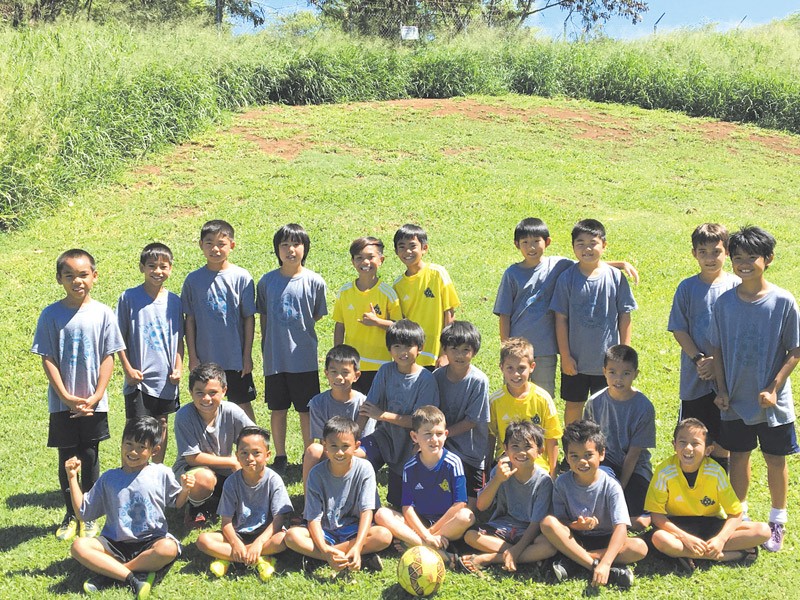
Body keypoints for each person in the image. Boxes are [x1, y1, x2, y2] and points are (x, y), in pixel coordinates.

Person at [709, 226, 800, 552]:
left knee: (776, 460)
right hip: (735, 400)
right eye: (738, 258)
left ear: (769, 259)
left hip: (773, 404)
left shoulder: (784, 302)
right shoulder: (723, 304)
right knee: (738, 458)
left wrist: (774, 387)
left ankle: (777, 523)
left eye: (751, 258)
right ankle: (741, 518)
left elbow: (795, 350)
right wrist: (720, 389)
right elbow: (717, 350)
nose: (744, 264)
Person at [32, 249, 126, 541]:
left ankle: (90, 516)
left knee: (90, 455)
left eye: (83, 274)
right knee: (67, 457)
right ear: (59, 278)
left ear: (94, 277)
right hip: (63, 404)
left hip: (94, 403)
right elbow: (47, 358)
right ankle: (71, 514)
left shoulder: (103, 313)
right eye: (69, 275)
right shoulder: (51, 314)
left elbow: (108, 356)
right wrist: (65, 396)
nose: (77, 280)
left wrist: (97, 395)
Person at [494, 217, 638, 397]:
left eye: (536, 241)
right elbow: (504, 314)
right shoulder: (512, 274)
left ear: (547, 242)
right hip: (517, 349)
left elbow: (587, 262)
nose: (531, 247)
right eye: (525, 242)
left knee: (543, 397)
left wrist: (620, 264)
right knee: (513, 393)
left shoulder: (557, 265)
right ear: (517, 244)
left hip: (545, 348)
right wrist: (505, 346)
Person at [66, 417, 193, 598]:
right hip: (115, 543)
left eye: (142, 447)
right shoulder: (109, 478)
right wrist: (72, 478)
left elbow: (177, 503)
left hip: (151, 540)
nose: (133, 451)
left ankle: (112, 573)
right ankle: (132, 577)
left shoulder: (161, 472)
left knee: (168, 548)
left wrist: (186, 490)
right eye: (129, 444)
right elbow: (83, 513)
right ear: (121, 443)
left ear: (154, 450)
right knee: (78, 546)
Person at [646, 418, 771, 573]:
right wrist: (685, 538)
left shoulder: (715, 472)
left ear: (708, 450)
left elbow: (736, 512)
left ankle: (688, 554)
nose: (688, 448)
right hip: (676, 527)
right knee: (660, 539)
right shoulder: (664, 472)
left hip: (711, 524)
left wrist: (720, 539)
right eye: (682, 442)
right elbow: (656, 516)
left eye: (695, 443)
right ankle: (727, 555)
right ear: (674, 445)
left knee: (763, 531)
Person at [541, 420, 647, 590]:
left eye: (588, 455)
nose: (582, 462)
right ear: (567, 457)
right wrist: (574, 525)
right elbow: (560, 520)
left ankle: (574, 561)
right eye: (574, 456)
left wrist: (605, 562)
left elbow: (621, 528)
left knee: (639, 547)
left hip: (606, 540)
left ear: (602, 454)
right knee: (547, 523)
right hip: (575, 538)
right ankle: (593, 566)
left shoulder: (611, 485)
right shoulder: (562, 483)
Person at [551, 219, 637, 425]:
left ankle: (602, 451)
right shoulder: (567, 278)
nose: (587, 248)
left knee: (606, 406)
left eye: (593, 243)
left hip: (607, 363)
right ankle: (572, 447)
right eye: (580, 243)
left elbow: (625, 316)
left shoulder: (616, 278)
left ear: (604, 245)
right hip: (575, 362)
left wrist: (623, 355)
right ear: (572, 247)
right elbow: (560, 319)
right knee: (574, 405)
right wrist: (565, 356)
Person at [257, 223, 328, 475]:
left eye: (295, 244)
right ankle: (280, 454)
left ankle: (310, 452)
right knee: (278, 408)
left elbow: (317, 314)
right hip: (275, 358)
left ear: (304, 248)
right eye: (284, 245)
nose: (290, 250)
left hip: (304, 358)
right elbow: (263, 315)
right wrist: (267, 346)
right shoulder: (267, 282)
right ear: (277, 249)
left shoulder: (315, 281)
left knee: (305, 410)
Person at [668, 223, 738, 472]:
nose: (710, 258)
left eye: (716, 251)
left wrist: (716, 364)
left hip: (728, 378)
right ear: (693, 253)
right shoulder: (687, 288)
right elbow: (679, 328)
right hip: (695, 377)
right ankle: (693, 494)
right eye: (703, 251)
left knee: (724, 440)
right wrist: (699, 359)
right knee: (694, 436)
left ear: (727, 252)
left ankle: (722, 494)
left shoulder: (736, 285)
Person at [285, 417, 392, 572]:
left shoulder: (365, 469)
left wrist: (357, 545)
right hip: (325, 530)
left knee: (383, 535)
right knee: (291, 536)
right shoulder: (316, 474)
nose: (339, 452)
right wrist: (324, 548)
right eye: (334, 446)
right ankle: (345, 556)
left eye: (345, 446)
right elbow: (313, 518)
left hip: (353, 529)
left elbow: (366, 512)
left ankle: (320, 557)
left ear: (356, 446)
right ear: (325, 445)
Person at [374, 406, 474, 568]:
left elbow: (460, 504)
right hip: (419, 522)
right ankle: (437, 551)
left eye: (439, 434)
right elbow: (407, 508)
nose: (434, 439)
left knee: (466, 515)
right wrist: (425, 534)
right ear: (414, 436)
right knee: (381, 514)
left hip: (447, 526)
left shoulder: (453, 463)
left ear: (446, 435)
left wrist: (430, 533)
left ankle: (414, 543)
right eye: (427, 434)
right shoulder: (410, 466)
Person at [358, 319, 440, 507]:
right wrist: (354, 436)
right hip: (384, 438)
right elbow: (368, 407)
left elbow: (420, 423)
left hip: (412, 446)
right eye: (397, 346)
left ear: (420, 348)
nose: (402, 352)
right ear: (389, 349)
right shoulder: (385, 370)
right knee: (355, 456)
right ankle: (366, 509)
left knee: (399, 502)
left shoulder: (426, 379)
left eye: (408, 346)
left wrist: (382, 415)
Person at [181, 219, 257, 421]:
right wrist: (193, 357)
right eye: (209, 243)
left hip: (235, 359)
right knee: (207, 406)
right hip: (206, 359)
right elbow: (190, 320)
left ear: (231, 245)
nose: (215, 249)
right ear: (200, 245)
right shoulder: (193, 280)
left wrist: (247, 355)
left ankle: (255, 446)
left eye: (221, 244)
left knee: (242, 404)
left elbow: (249, 319)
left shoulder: (242, 277)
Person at [196, 426, 293, 581]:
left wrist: (259, 543)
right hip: (238, 534)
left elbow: (279, 519)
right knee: (203, 540)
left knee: (285, 539)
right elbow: (226, 522)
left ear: (267, 455)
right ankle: (260, 559)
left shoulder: (274, 480)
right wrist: (235, 543)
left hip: (266, 535)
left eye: (256, 453)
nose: (250, 458)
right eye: (244, 453)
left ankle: (227, 558)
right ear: (237, 456)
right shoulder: (231, 482)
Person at [116, 243, 184, 464]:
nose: (158, 271)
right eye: (152, 266)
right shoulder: (128, 298)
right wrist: (127, 368)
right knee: (137, 427)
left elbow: (178, 340)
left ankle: (157, 470)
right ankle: (130, 469)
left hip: (166, 378)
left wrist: (179, 367)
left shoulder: (174, 301)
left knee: (161, 424)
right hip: (139, 379)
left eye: (163, 266)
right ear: (141, 268)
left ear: (171, 268)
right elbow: (118, 339)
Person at [461, 420, 557, 574]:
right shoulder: (500, 471)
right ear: (505, 448)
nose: (521, 452)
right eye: (515, 446)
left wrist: (516, 550)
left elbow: (535, 524)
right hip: (502, 529)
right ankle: (526, 556)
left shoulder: (544, 481)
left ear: (540, 450)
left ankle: (490, 558)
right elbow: (481, 506)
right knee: (470, 536)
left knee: (548, 547)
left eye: (528, 447)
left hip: (529, 532)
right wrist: (497, 479)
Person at [172, 363, 255, 528]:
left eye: (213, 392)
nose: (206, 399)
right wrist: (232, 461)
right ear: (190, 392)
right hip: (191, 472)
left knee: (250, 464)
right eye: (200, 393)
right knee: (205, 479)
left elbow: (254, 439)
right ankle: (196, 508)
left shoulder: (232, 411)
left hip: (224, 472)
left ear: (224, 390)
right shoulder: (184, 415)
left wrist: (246, 459)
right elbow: (192, 457)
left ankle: (248, 506)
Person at [584, 345, 655, 531]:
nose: (618, 379)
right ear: (604, 372)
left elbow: (633, 454)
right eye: (612, 372)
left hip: (634, 468)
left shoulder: (644, 407)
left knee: (639, 522)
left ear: (636, 374)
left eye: (626, 373)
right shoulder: (594, 403)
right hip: (605, 463)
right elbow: (589, 444)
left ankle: (646, 515)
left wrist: (620, 488)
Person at [333, 236, 402, 394]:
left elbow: (398, 327)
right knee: (354, 410)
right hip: (352, 365)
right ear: (353, 262)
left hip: (380, 366)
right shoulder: (344, 292)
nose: (365, 262)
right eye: (359, 258)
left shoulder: (388, 293)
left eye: (370, 257)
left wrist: (377, 322)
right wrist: (337, 354)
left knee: (376, 410)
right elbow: (339, 325)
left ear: (381, 259)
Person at [433, 321, 490, 509]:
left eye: (465, 349)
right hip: (441, 448)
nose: (459, 355)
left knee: (471, 507)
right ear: (444, 350)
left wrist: (443, 434)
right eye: (454, 349)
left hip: (470, 454)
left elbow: (472, 421)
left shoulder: (478, 381)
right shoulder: (436, 377)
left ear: (474, 351)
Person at [488, 337, 562, 478]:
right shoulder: (495, 401)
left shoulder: (543, 399)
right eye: (510, 368)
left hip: (537, 463)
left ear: (532, 367)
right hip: (507, 461)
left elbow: (552, 438)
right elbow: (490, 436)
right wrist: (487, 468)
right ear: (501, 367)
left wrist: (553, 474)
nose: (516, 374)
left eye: (521, 368)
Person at [302, 345, 374, 485]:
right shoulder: (317, 402)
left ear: (356, 376)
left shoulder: (364, 403)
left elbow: (364, 440)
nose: (339, 377)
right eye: (334, 371)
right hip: (330, 448)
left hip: (355, 449)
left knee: (361, 453)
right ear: (326, 373)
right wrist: (335, 449)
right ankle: (309, 502)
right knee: (312, 450)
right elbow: (321, 440)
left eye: (345, 372)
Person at [392, 224, 459, 369]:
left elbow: (449, 314)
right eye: (402, 246)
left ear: (424, 248)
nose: (407, 251)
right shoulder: (397, 285)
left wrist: (445, 353)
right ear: (396, 251)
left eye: (412, 246)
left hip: (437, 357)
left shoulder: (437, 273)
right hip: (412, 357)